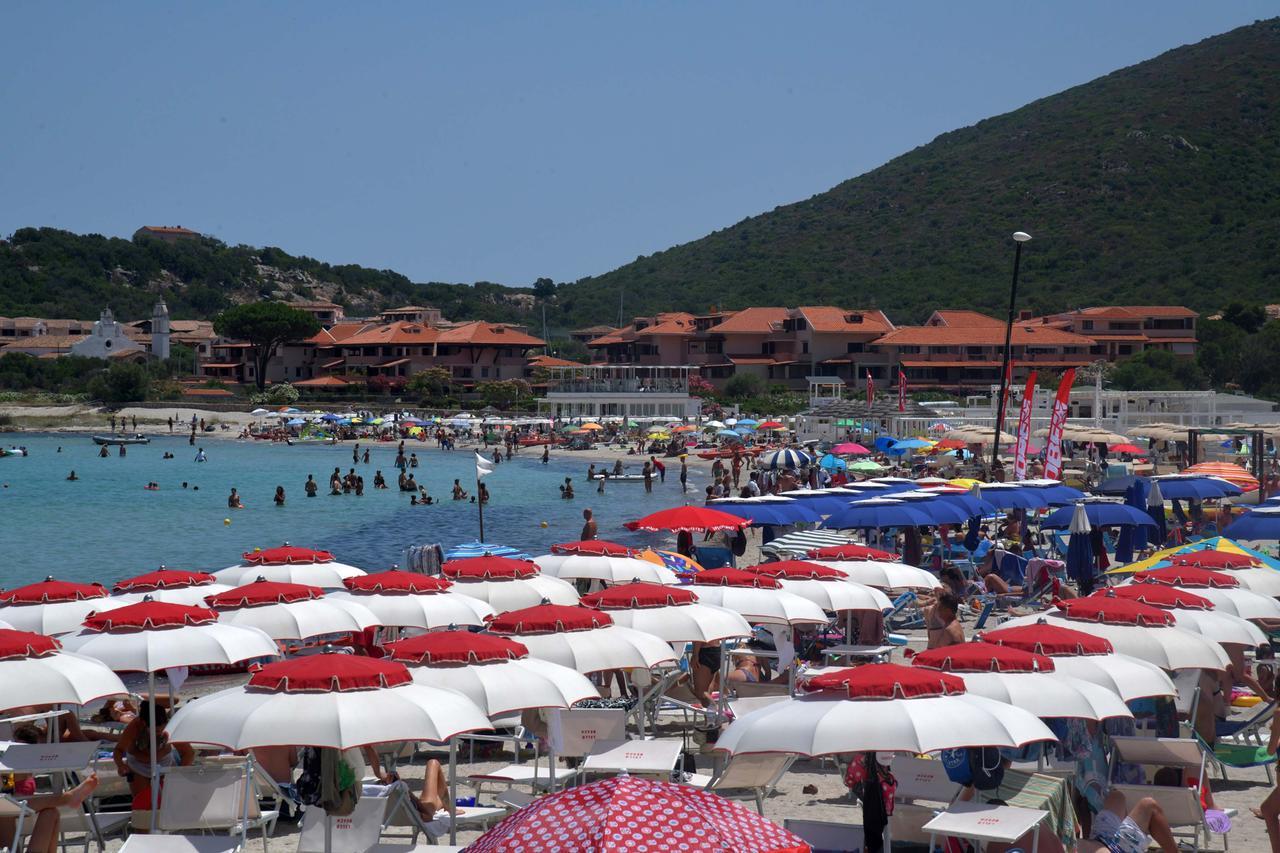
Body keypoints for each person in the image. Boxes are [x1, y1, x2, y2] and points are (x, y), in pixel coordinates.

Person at [0, 725, 100, 853]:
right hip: (13, 811)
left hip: (17, 812)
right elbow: (7, 792)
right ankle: (67, 798)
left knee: (50, 813)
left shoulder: (17, 770)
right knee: (7, 805)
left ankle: (67, 798)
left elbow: (8, 792)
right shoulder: (11, 768)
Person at [112, 704, 194, 808]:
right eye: (155, 728)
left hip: (164, 763)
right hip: (138, 766)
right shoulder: (134, 727)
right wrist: (121, 765)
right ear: (143, 723)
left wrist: (179, 774)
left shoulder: (170, 727)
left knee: (168, 804)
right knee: (143, 804)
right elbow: (118, 750)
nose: (159, 729)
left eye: (162, 726)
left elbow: (189, 753)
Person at [1091, 789, 1179, 853]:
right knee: (1149, 806)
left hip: (1099, 839)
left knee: (1117, 796)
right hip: (1113, 850)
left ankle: (1125, 838)